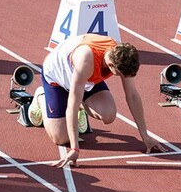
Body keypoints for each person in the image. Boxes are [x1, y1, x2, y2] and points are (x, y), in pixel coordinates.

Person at [37, 33, 164, 168]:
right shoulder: (85, 60)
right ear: (110, 65)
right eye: (119, 74)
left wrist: (145, 135)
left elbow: (132, 95)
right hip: (57, 79)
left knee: (108, 115)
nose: (121, 77)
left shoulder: (122, 55)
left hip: (86, 80)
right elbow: (72, 105)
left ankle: (82, 105)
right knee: (60, 138)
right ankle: (40, 97)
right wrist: (74, 148)